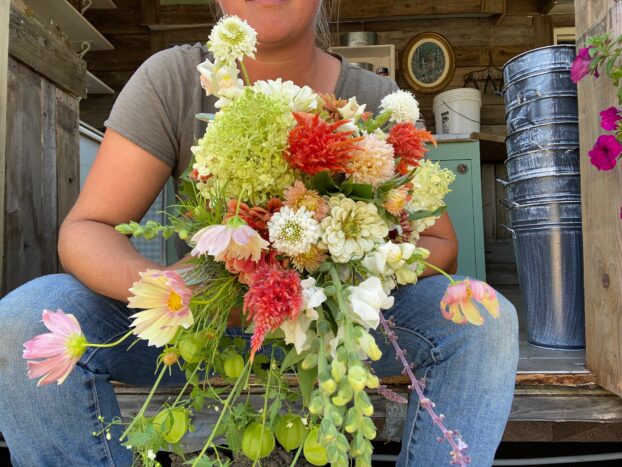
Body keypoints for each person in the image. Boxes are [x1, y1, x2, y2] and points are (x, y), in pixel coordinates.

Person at [0, 1, 519, 465]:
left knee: (485, 324)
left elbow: (438, 245)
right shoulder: (174, 79)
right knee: (20, 320)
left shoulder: (375, 100)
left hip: (342, 332)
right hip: (202, 330)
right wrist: (173, 292)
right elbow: (85, 229)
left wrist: (341, 278)